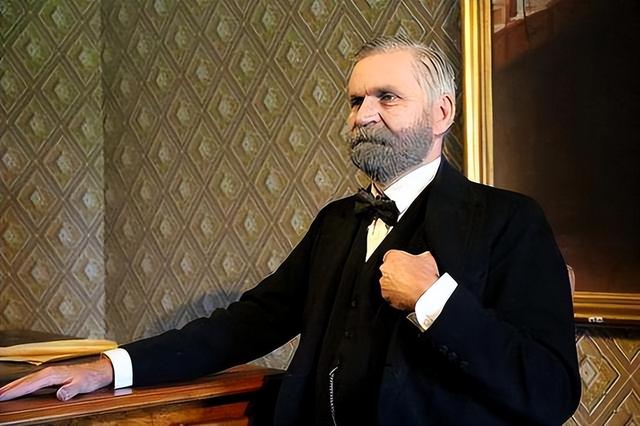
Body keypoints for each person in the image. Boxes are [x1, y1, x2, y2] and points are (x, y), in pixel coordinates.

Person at [0, 36, 580, 425]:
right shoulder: (337, 222)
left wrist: (436, 301)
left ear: (442, 113)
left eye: (387, 97)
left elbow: (551, 391)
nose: (363, 115)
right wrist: (110, 366)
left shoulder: (511, 221)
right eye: (355, 100)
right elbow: (243, 325)